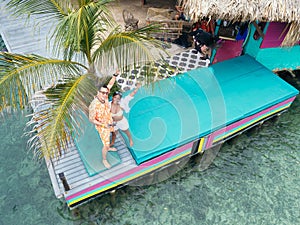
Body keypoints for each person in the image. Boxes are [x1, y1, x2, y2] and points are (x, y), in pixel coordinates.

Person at [89, 70, 119, 169]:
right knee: (105, 145)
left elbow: (110, 84)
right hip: (102, 126)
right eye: (102, 93)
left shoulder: (105, 97)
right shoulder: (94, 105)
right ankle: (104, 159)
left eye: (106, 93)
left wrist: (114, 75)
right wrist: (103, 125)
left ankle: (110, 146)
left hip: (109, 120)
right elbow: (91, 119)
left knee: (114, 133)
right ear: (98, 93)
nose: (105, 95)